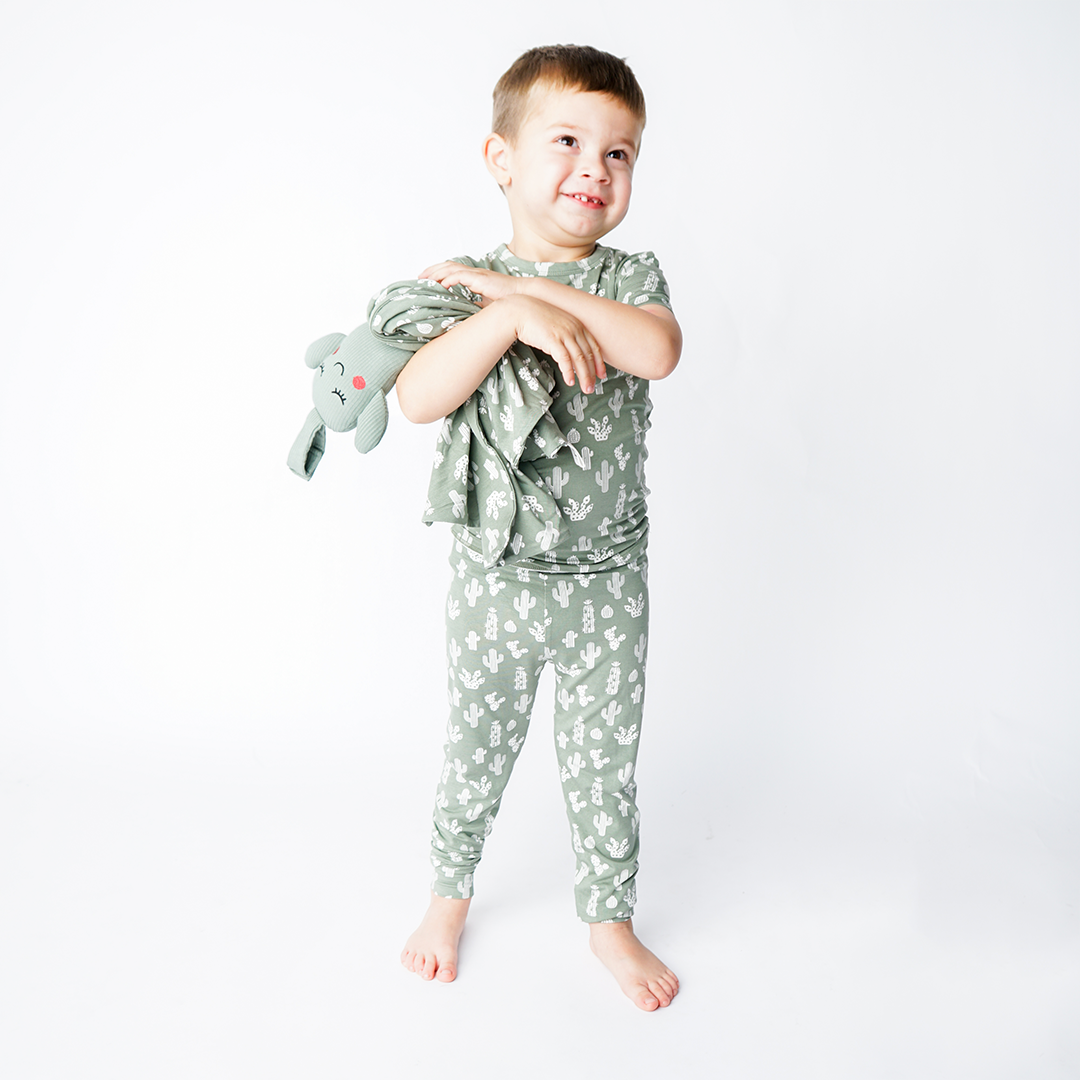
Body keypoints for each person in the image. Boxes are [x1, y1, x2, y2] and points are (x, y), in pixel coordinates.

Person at [394, 44, 682, 1011]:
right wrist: (506, 312)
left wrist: (543, 295)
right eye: (568, 142)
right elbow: (419, 398)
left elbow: (656, 351)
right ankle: (448, 896)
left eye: (619, 152)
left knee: (605, 763)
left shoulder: (629, 277)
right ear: (502, 157)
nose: (595, 168)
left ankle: (609, 920)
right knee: (475, 746)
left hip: (608, 584)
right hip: (498, 580)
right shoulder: (466, 282)